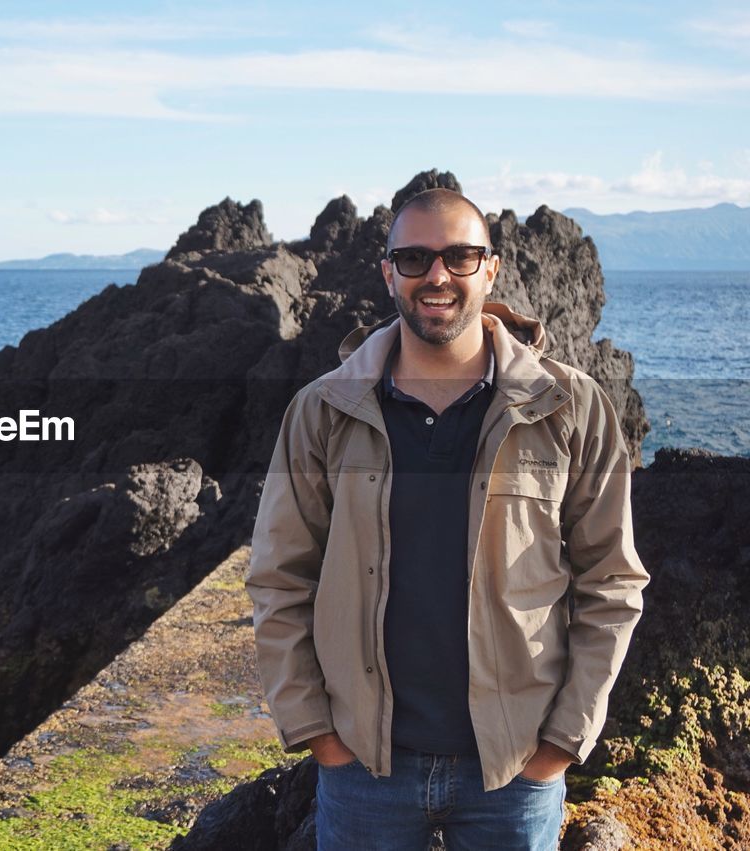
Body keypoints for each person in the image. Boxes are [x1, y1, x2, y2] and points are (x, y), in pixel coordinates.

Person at [245, 188, 649, 850]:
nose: (437, 275)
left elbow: (613, 583)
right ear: (388, 273)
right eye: (414, 257)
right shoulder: (322, 411)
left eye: (460, 256)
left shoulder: (570, 407)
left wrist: (559, 744)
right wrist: (319, 734)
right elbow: (277, 579)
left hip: (514, 773)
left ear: (490, 269)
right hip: (365, 772)